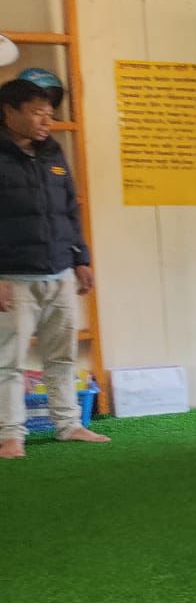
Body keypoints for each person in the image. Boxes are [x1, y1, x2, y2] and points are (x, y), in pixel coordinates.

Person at [0, 76, 106, 459]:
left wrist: (81, 259)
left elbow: (69, 210)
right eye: (37, 113)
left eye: (49, 114)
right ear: (9, 112)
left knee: (62, 356)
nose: (47, 121)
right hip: (12, 277)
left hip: (59, 272)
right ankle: (10, 435)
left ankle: (69, 424)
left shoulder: (53, 153)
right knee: (8, 361)